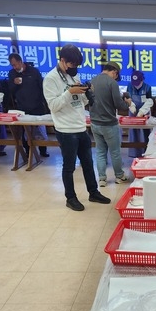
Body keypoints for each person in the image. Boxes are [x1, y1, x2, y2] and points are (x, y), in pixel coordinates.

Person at [43, 43, 111, 211]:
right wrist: (69, 92)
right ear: (63, 60)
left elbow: (80, 103)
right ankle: (70, 198)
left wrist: (88, 94)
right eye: (72, 65)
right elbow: (53, 105)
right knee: (69, 166)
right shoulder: (51, 79)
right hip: (66, 130)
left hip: (81, 127)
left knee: (88, 163)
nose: (75, 68)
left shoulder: (73, 76)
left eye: (77, 65)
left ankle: (93, 192)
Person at [89, 61, 135, 187]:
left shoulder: (92, 80)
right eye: (116, 75)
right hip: (109, 124)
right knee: (114, 152)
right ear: (114, 71)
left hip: (95, 123)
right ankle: (119, 176)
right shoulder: (112, 83)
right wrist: (128, 103)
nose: (116, 77)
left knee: (100, 151)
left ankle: (102, 179)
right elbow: (118, 104)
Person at [7, 53, 49, 158]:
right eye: (12, 65)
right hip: (22, 107)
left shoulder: (34, 71)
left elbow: (41, 87)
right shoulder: (12, 74)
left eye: (15, 64)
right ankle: (28, 151)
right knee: (24, 131)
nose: (14, 67)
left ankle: (43, 150)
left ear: (21, 62)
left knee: (40, 130)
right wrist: (14, 83)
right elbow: (10, 90)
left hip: (37, 105)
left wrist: (46, 104)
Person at [125, 69, 153, 158]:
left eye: (138, 82)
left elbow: (150, 101)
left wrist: (142, 111)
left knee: (146, 132)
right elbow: (128, 99)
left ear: (142, 80)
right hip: (133, 111)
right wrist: (132, 107)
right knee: (134, 131)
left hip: (144, 111)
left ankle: (146, 152)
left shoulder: (147, 87)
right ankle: (135, 153)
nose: (136, 85)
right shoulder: (129, 86)